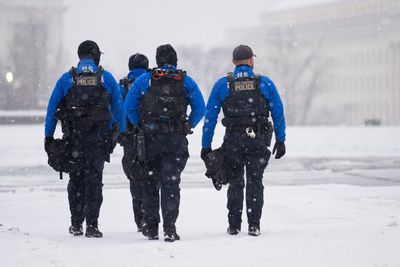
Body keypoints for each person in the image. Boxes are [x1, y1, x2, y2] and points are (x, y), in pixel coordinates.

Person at [201, 44, 286, 236]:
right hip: (257, 139)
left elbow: (210, 117)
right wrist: (280, 139)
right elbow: (278, 113)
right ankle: (254, 225)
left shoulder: (223, 84)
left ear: (234, 62)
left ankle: (234, 225)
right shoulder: (265, 83)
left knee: (236, 182)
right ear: (250, 61)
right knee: (255, 181)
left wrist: (206, 146)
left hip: (233, 140)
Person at [44, 40, 126, 238]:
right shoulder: (106, 78)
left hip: (74, 140)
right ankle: (92, 225)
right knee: (94, 181)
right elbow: (118, 108)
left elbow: (51, 110)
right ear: (96, 56)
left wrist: (48, 136)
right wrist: (120, 131)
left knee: (76, 181)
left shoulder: (67, 79)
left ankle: (76, 224)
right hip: (98, 140)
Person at [125, 44, 205, 242]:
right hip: (176, 140)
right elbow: (200, 108)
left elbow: (129, 106)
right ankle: (170, 228)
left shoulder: (145, 80)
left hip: (150, 140)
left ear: (157, 60)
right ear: (175, 60)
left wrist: (139, 126)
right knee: (171, 184)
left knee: (150, 183)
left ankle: (152, 228)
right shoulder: (185, 81)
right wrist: (187, 125)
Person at [119, 53, 149, 232]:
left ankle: (140, 219)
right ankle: (151, 214)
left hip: (130, 137)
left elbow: (115, 107)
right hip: (150, 134)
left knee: (135, 178)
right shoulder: (150, 81)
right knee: (151, 177)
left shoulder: (122, 85)